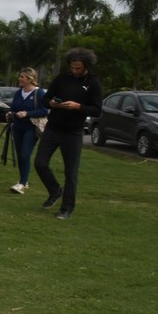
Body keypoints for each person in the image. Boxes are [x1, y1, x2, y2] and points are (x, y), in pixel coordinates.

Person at [34, 48, 103, 220]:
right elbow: (45, 99)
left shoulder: (93, 83)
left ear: (86, 66)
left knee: (71, 172)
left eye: (78, 68)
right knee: (40, 163)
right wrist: (52, 103)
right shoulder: (61, 78)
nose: (74, 70)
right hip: (53, 128)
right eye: (72, 67)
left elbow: (97, 110)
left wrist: (78, 106)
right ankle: (55, 190)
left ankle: (67, 208)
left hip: (73, 133)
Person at [5, 68, 48, 194]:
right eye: (20, 76)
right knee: (20, 155)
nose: (19, 79)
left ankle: (22, 184)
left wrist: (27, 113)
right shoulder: (19, 93)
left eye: (22, 77)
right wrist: (10, 113)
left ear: (30, 79)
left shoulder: (39, 93)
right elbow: (13, 108)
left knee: (25, 154)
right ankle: (24, 179)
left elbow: (44, 111)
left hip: (31, 127)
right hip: (17, 127)